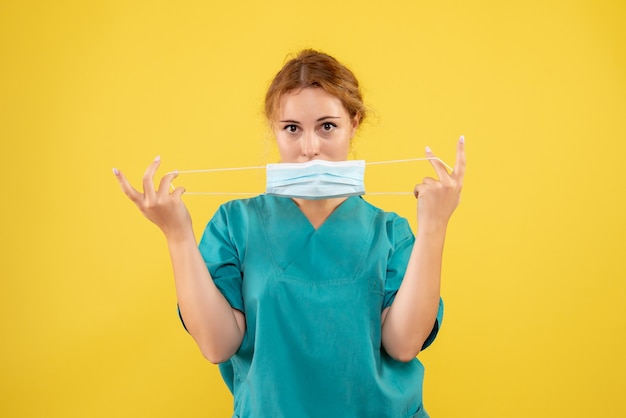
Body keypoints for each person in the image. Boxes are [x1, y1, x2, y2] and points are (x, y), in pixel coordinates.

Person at [113, 49, 465, 418]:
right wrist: (177, 234)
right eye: (292, 129)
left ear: (354, 122)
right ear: (274, 129)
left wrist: (435, 226)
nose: (309, 149)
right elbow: (217, 346)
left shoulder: (391, 232)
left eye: (327, 126)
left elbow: (404, 344)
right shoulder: (235, 224)